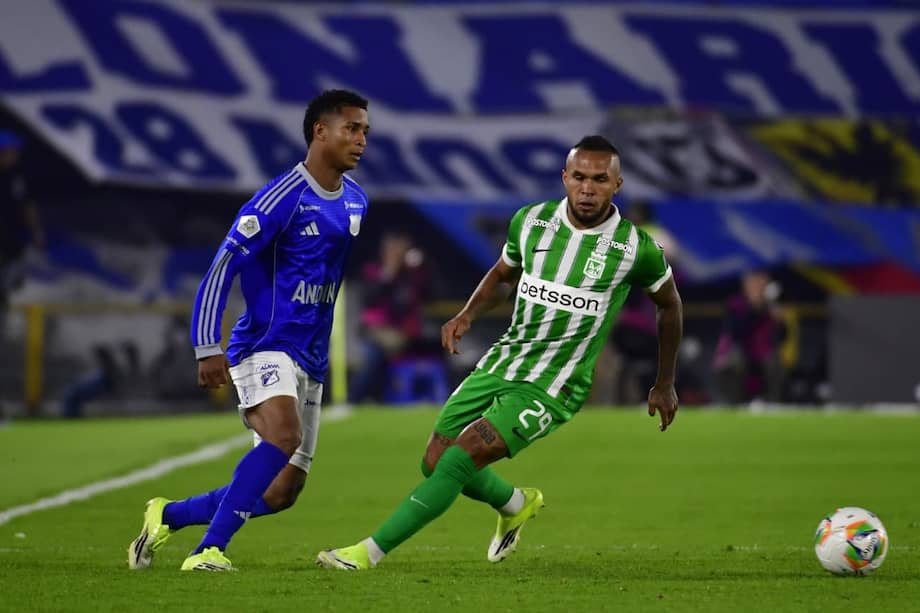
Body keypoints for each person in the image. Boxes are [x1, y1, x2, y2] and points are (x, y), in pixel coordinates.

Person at [316, 135, 682, 570]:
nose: (587, 188)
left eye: (600, 180)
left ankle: (367, 554)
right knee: (435, 460)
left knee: (460, 459)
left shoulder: (635, 248)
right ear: (564, 177)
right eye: (579, 177)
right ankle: (515, 504)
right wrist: (466, 315)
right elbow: (504, 274)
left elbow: (670, 305)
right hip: (504, 360)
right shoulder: (532, 221)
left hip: (554, 384)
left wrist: (664, 382)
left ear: (617, 184)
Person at [127, 89, 370, 572]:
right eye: (352, 129)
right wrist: (206, 345)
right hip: (265, 344)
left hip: (311, 356)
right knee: (283, 434)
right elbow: (223, 267)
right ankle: (207, 551)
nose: (361, 140)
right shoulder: (280, 198)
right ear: (320, 131)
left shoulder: (356, 201)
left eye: (365, 130)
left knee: (281, 492)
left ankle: (168, 515)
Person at [349, 229, 430, 403]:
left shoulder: (409, 274)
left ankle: (379, 398)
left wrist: (418, 270)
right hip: (373, 329)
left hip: (401, 331)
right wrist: (388, 273)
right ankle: (354, 399)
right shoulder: (372, 270)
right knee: (374, 357)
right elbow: (369, 298)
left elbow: (422, 296)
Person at [0, 130, 44, 417]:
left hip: (10, 253)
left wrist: (36, 232)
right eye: (8, 150)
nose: (13, 155)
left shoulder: (17, 179)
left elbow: (28, 207)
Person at [712, 270, 786, 404]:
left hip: (762, 354)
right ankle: (733, 403)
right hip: (740, 352)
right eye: (754, 283)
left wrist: (780, 322)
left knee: (773, 361)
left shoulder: (771, 308)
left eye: (762, 283)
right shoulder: (736, 304)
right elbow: (735, 332)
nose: (758, 287)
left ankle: (773, 402)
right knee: (735, 361)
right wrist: (753, 308)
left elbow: (782, 338)